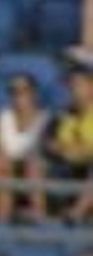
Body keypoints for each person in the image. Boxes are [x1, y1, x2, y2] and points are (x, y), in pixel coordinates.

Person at [0, 74, 48, 224]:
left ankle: (40, 217)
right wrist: (3, 155)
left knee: (32, 165)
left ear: (33, 93)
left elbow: (44, 148)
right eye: (13, 91)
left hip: (32, 164)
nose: (18, 95)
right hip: (6, 164)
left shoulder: (44, 118)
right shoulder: (2, 117)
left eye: (23, 90)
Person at [49, 71, 93, 223]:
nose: (73, 90)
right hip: (67, 167)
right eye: (71, 86)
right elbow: (53, 146)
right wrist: (80, 151)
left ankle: (77, 213)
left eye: (78, 85)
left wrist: (73, 150)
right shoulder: (62, 116)